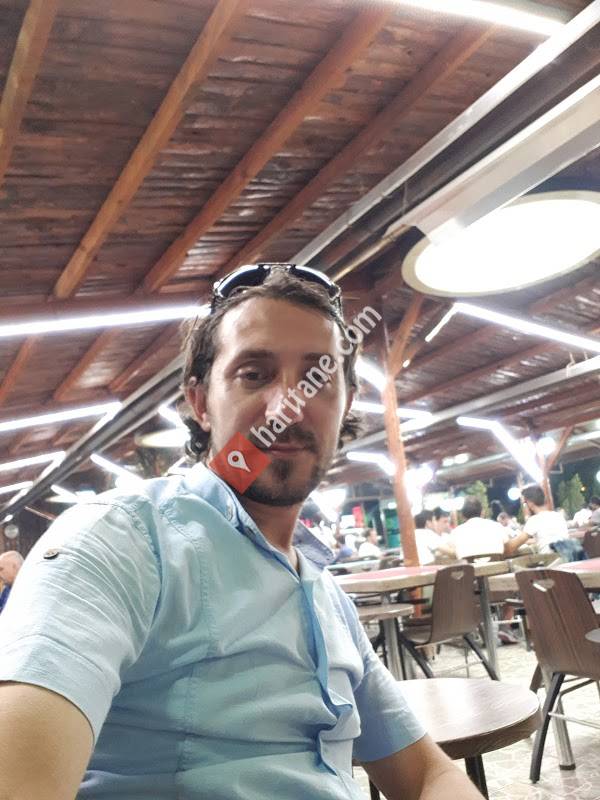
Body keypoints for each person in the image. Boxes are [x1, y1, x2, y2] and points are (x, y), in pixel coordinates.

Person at [0, 264, 483, 800]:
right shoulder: (121, 540)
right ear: (200, 403)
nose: (288, 406)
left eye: (319, 378)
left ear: (345, 402)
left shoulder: (325, 597)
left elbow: (429, 774)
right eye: (254, 374)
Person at [449, 496, 531, 560]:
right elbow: (508, 549)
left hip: (470, 576)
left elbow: (453, 553)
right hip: (499, 573)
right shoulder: (497, 526)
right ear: (482, 512)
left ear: (462, 515)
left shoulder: (455, 532)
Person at [521, 484, 570, 554]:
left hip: (550, 559)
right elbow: (547, 538)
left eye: (525, 503)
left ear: (530, 503)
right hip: (568, 556)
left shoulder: (534, 521)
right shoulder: (558, 516)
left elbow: (511, 547)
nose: (524, 507)